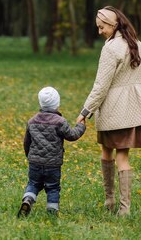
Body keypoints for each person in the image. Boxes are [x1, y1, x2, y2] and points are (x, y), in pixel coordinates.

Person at [77, 6, 141, 216]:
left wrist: (85, 111)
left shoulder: (111, 49)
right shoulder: (138, 44)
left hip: (112, 111)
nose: (100, 32)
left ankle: (110, 201)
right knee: (122, 156)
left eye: (102, 27)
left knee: (108, 152)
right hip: (132, 109)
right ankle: (124, 209)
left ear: (114, 24)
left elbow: (101, 86)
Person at [17, 86, 86, 218]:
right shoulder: (60, 122)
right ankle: (52, 212)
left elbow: (27, 142)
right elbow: (72, 135)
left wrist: (29, 157)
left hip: (35, 163)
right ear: (57, 104)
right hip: (53, 164)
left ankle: (28, 199)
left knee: (33, 184)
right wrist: (81, 126)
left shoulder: (32, 121)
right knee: (53, 187)